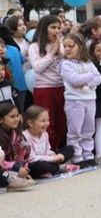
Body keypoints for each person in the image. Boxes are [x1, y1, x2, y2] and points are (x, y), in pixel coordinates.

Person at [60, 33, 101, 168]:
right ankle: (77, 157)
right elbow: (74, 80)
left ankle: (88, 154)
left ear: (80, 47)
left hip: (90, 99)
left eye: (70, 46)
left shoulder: (88, 63)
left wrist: (86, 81)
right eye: (65, 46)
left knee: (88, 129)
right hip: (74, 100)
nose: (67, 49)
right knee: (75, 130)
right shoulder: (65, 64)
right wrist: (89, 76)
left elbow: (99, 78)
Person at [28, 15, 66, 149]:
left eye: (59, 28)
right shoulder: (34, 46)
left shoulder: (61, 44)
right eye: (53, 27)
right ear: (45, 29)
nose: (57, 31)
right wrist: (52, 53)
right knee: (46, 123)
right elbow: (37, 67)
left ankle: (54, 149)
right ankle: (46, 152)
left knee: (62, 122)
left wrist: (60, 48)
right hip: (44, 89)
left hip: (61, 87)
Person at [23, 105, 79, 177]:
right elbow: (31, 158)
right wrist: (52, 159)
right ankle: (60, 168)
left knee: (70, 149)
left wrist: (55, 155)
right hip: (34, 163)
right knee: (41, 166)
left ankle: (53, 169)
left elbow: (47, 150)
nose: (47, 123)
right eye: (43, 121)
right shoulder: (25, 137)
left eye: (48, 120)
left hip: (47, 159)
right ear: (30, 123)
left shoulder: (45, 134)